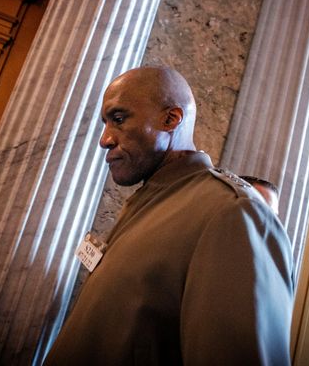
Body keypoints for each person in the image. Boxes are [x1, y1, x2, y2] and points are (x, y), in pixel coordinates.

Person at [44, 66, 294, 365]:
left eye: (119, 119)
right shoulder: (152, 199)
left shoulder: (232, 211)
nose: (105, 139)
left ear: (170, 119)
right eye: (105, 123)